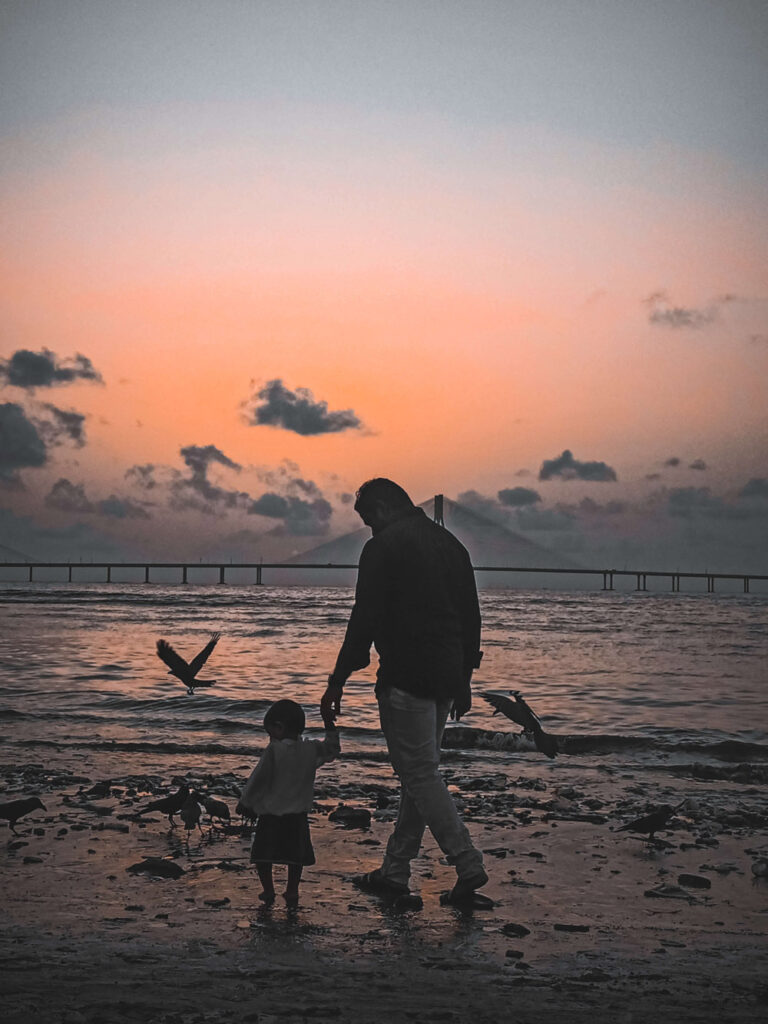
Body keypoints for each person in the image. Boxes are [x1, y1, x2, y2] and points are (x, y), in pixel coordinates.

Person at [321, 478, 488, 905]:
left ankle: (467, 864)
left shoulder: (383, 548)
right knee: (420, 772)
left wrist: (337, 679)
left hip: (407, 675)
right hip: (446, 676)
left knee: (419, 774)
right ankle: (395, 872)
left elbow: (365, 618)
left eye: (368, 518)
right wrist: (465, 677)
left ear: (384, 507)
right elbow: (471, 617)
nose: (369, 528)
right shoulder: (451, 545)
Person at [238, 698, 339, 908]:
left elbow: (259, 778)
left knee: (263, 857)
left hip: (270, 814)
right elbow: (332, 749)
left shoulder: (274, 750)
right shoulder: (310, 749)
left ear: (279, 727)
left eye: (269, 732)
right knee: (296, 857)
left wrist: (246, 801)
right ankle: (292, 890)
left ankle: (268, 890)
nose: (269, 738)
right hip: (297, 814)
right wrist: (329, 724)